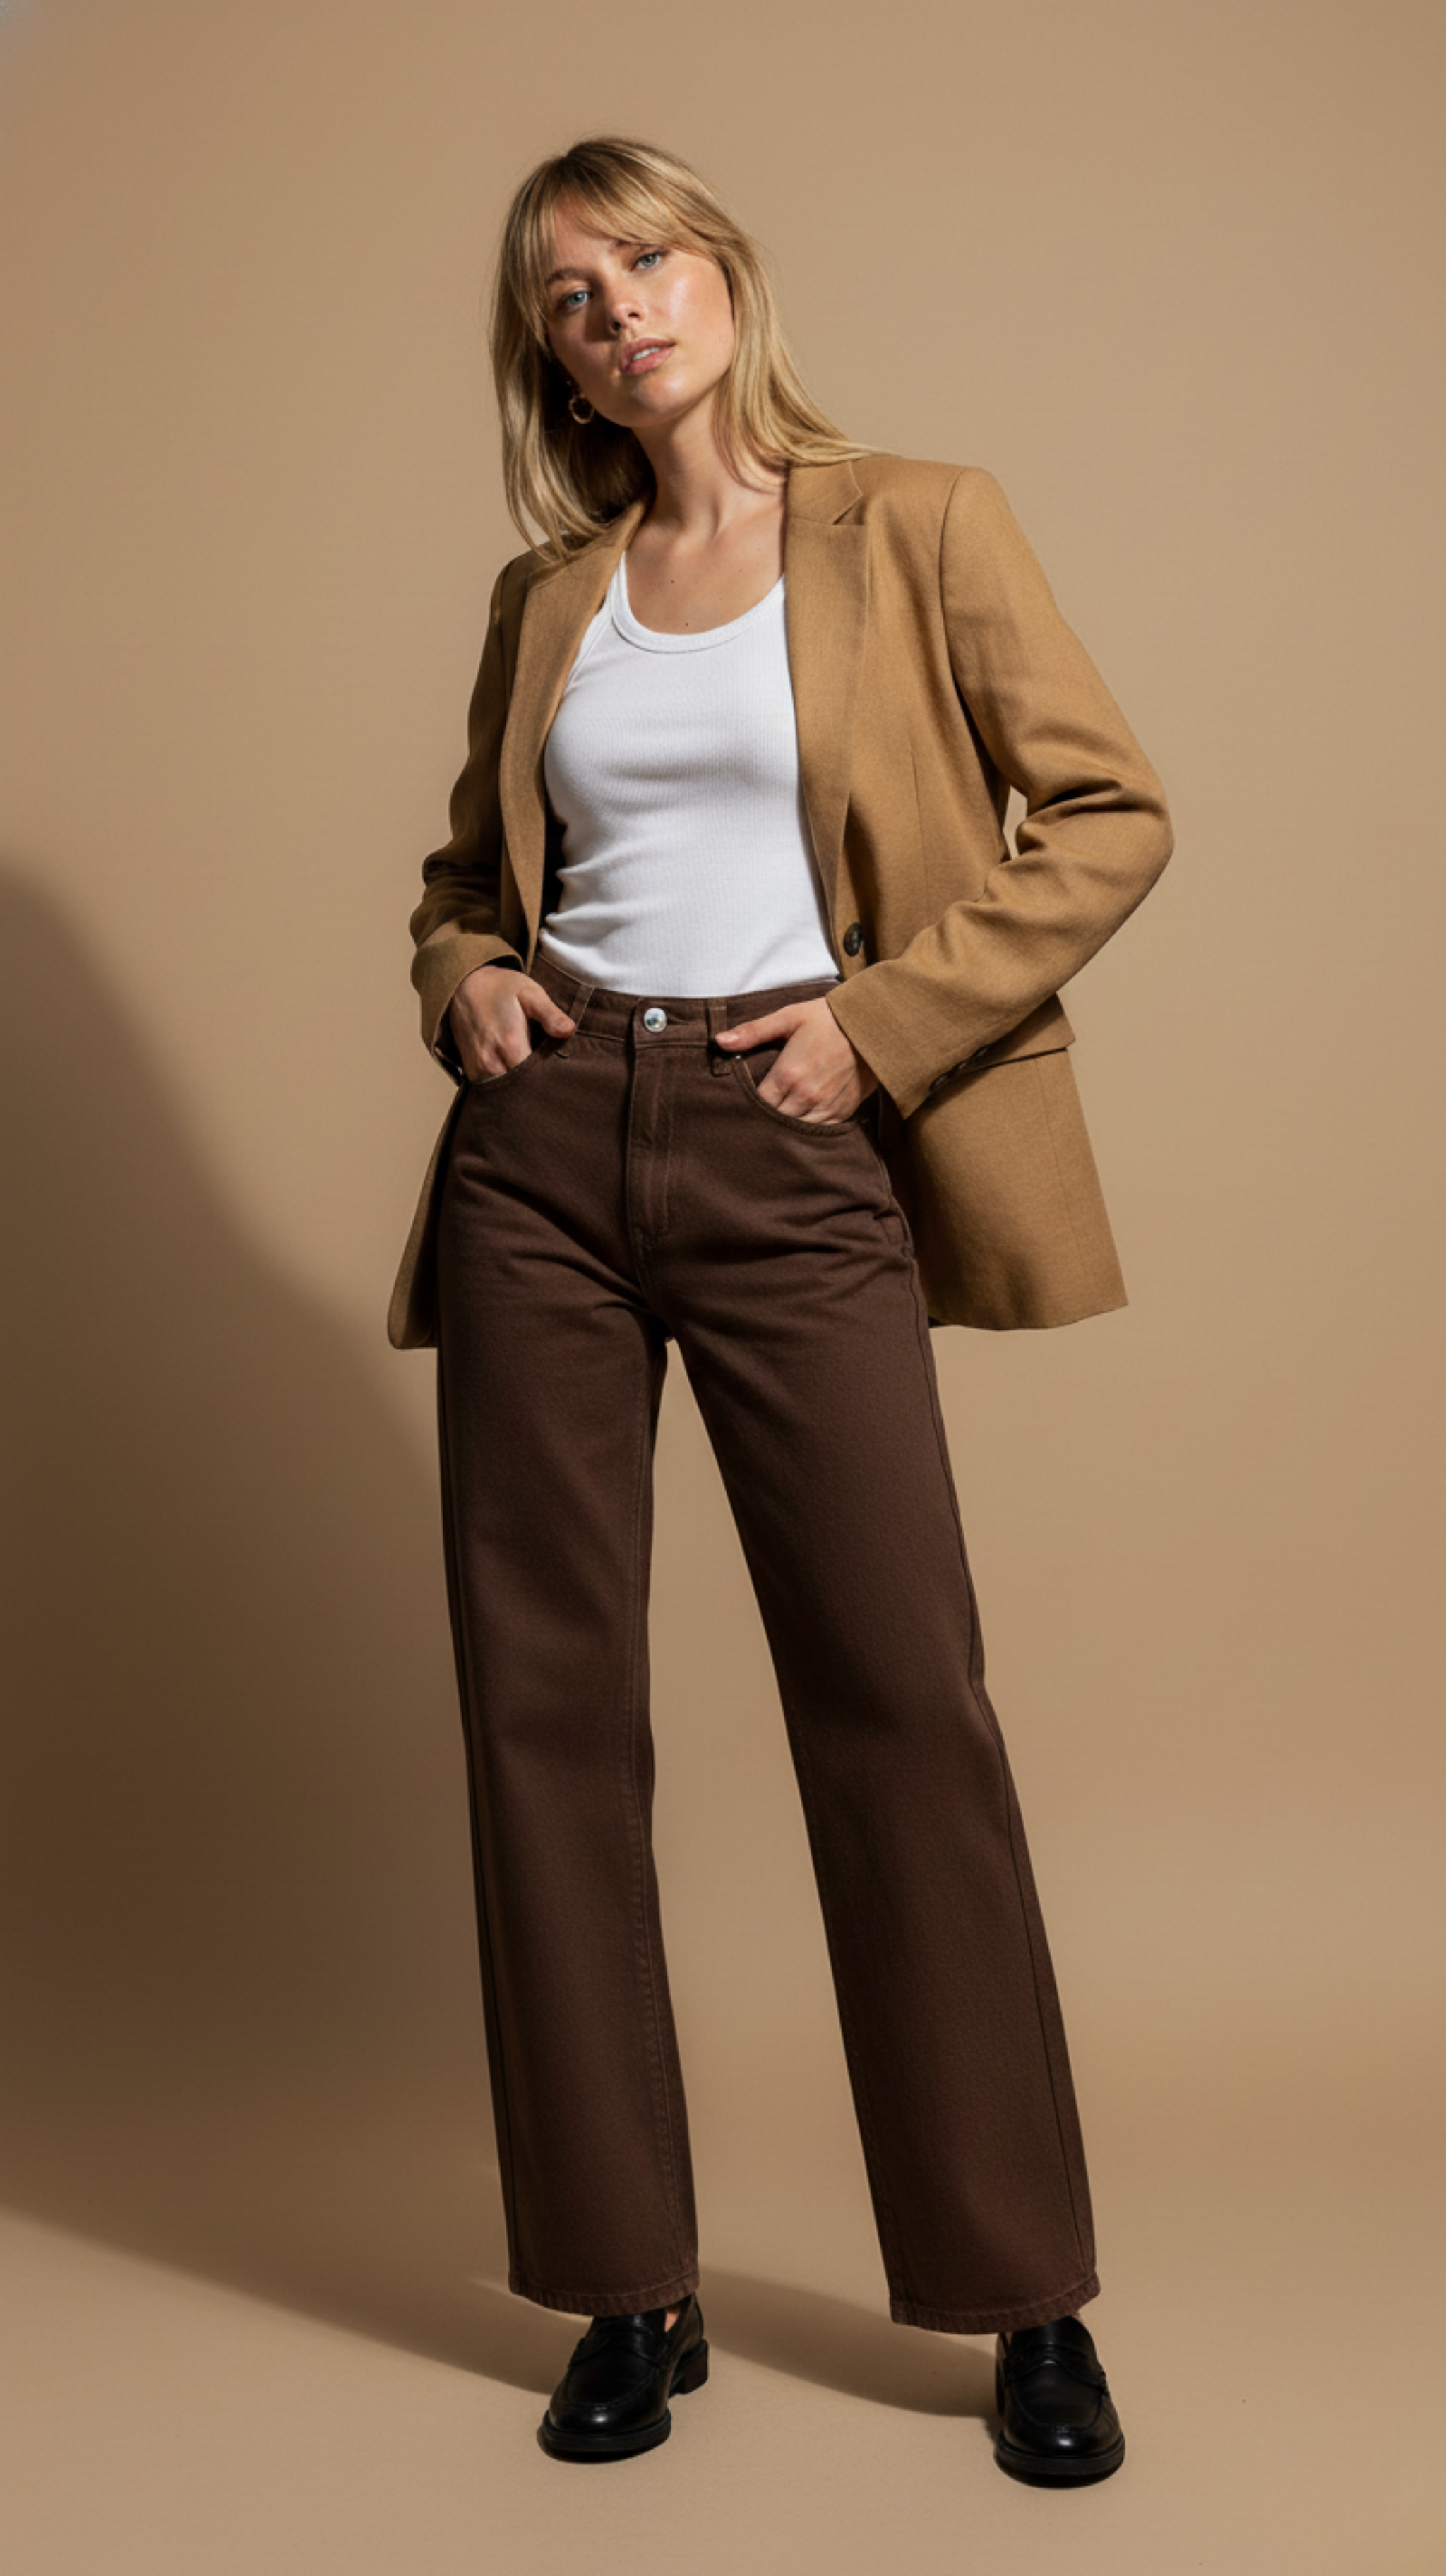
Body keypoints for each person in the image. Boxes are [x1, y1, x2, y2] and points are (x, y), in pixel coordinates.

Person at [389, 134, 1172, 2483]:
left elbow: (1109, 811)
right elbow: (458, 874)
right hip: (546, 1160)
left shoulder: (918, 522)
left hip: (791, 1127)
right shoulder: (551, 593)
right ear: (550, 353)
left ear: (725, 273)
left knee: (898, 1696)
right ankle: (629, 2287)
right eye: (564, 296)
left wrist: (888, 1027)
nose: (613, 310)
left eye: (641, 260)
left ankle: (1022, 2295)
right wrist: (461, 984)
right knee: (546, 1715)